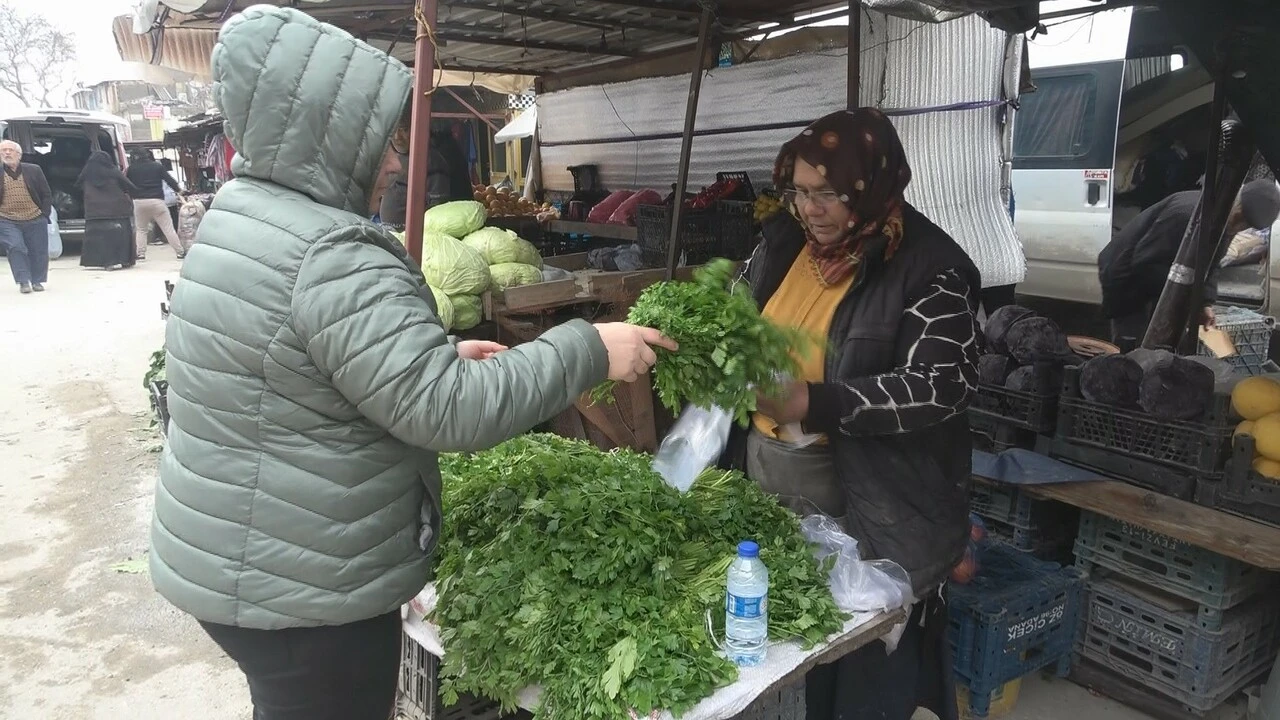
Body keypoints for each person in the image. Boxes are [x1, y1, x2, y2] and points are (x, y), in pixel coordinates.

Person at [149, 8, 676, 720]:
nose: (396, 161)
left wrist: (427, 355)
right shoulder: (330, 250)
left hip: (245, 558)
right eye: (384, 142)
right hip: (306, 585)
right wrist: (590, 347)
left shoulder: (245, 215)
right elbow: (449, 410)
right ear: (326, 133)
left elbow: (287, 367)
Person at [721, 108, 981, 720]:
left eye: (829, 194)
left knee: (862, 668)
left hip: (876, 497)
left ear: (870, 187)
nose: (811, 209)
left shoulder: (933, 267)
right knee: (786, 642)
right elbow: (739, 312)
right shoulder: (785, 246)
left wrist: (815, 401)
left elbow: (938, 386)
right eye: (800, 193)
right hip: (772, 483)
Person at [1098, 179, 1280, 345]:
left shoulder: (1226, 223)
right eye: (1240, 220)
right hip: (1126, 273)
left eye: (1245, 226)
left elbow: (1211, 264)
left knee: (1158, 338)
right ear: (1235, 202)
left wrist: (1205, 303)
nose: (1238, 228)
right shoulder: (1187, 214)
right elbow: (1145, 263)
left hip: (1157, 271)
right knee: (1132, 342)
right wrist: (1191, 298)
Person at [377, 118, 474, 227]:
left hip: (411, 238)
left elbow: (438, 211)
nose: (397, 137)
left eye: (403, 130)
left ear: (417, 129)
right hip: (389, 233)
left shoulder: (431, 162)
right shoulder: (391, 155)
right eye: (393, 129)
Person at [0, 139, 53, 294]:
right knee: (16, 247)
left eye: (10, 150)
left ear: (19, 154)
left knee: (38, 250)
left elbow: (46, 193)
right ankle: (23, 281)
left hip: (35, 217)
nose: (7, 153)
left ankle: (37, 280)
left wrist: (44, 214)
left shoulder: (33, 170)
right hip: (6, 219)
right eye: (3, 150)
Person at [76, 150, 140, 270]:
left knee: (98, 238)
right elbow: (130, 186)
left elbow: (77, 186)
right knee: (121, 236)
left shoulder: (86, 173)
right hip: (117, 210)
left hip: (94, 211)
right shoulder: (113, 171)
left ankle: (105, 262)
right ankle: (124, 260)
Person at [126, 149, 185, 260]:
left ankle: (141, 253)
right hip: (157, 201)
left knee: (141, 229)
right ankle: (180, 252)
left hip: (139, 202)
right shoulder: (157, 166)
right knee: (168, 228)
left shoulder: (131, 169)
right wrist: (179, 191)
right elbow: (169, 180)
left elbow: (126, 184)